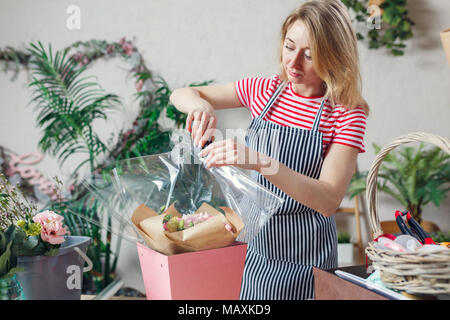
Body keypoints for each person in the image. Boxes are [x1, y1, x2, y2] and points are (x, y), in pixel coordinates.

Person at [169, 0, 369, 300]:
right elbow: (181, 93)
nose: (293, 63)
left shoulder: (345, 113)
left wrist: (260, 161)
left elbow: (328, 200)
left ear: (335, 56)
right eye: (290, 47)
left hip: (309, 261)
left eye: (310, 55)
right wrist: (200, 106)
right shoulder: (264, 91)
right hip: (257, 252)